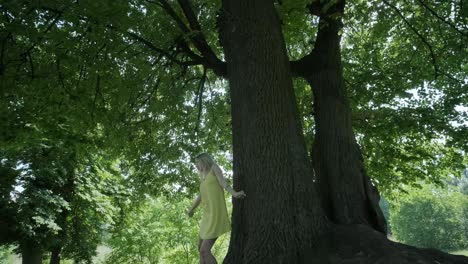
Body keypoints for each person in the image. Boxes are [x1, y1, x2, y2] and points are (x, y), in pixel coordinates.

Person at [187, 153, 246, 264]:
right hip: (207, 215)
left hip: (216, 214)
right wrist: (191, 209)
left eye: (197, 162)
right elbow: (201, 196)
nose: (196, 165)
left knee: (205, 250)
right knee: (200, 249)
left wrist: (235, 194)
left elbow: (223, 183)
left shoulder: (214, 168)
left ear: (204, 160)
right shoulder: (203, 176)